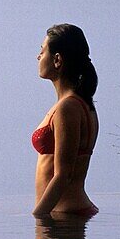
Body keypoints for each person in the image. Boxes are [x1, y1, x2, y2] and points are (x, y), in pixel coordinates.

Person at [32, 24, 99, 216]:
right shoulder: (80, 104)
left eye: (42, 51)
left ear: (57, 59)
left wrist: (38, 218)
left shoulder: (67, 108)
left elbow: (63, 175)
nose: (38, 57)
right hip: (67, 214)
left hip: (65, 217)